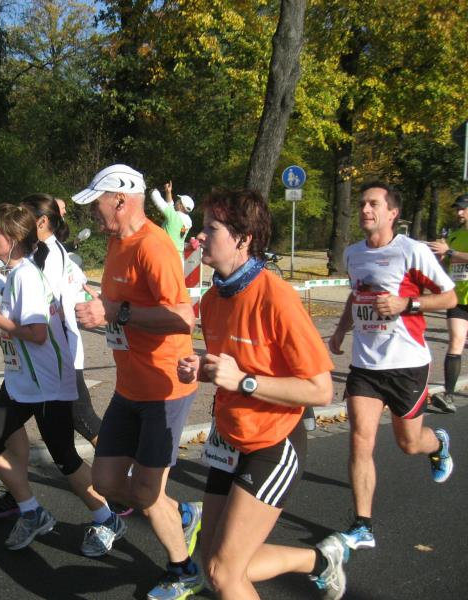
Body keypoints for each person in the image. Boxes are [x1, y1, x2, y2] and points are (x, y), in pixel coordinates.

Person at [177, 188, 348, 600]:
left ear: (243, 238)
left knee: (224, 572)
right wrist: (205, 369)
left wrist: (245, 381)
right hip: (229, 439)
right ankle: (319, 560)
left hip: (274, 442)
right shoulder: (213, 299)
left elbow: (321, 389)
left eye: (211, 229)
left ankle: (320, 561)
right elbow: (234, 364)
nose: (200, 237)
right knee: (217, 563)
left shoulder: (277, 296)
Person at [72, 164, 204, 600]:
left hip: (165, 387)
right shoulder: (116, 243)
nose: (93, 212)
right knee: (106, 481)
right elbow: (119, 302)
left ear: (120, 200)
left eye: (96, 203)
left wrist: (116, 313)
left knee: (146, 493)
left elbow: (183, 318)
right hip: (129, 386)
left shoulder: (154, 245)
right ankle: (182, 513)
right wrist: (100, 305)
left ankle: (184, 570)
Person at [0, 203, 125, 555]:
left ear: (14, 239)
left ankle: (107, 518)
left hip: (46, 385)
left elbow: (37, 333)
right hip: (23, 382)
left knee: (64, 457)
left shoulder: (26, 276)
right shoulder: (16, 274)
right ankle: (32, 511)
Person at [329, 181, 456, 552]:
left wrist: (407, 304)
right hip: (366, 366)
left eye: (373, 204)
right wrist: (340, 329)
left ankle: (438, 444)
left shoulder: (411, 251)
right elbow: (356, 294)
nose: (365, 210)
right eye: (362, 204)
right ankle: (362, 525)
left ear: (392, 213)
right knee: (360, 440)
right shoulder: (353, 254)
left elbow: (449, 297)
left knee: (408, 443)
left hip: (407, 364)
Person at [425, 192, 468, 413]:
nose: (459, 213)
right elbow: (446, 269)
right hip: (459, 300)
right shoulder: (454, 236)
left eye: (463, 209)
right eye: (457, 209)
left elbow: (456, 255)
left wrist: (449, 252)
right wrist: (440, 258)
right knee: (455, 342)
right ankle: (448, 395)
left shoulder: (452, 244)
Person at [150, 180, 194, 259]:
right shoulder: (188, 222)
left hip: (166, 254)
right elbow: (171, 207)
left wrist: (154, 191)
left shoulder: (173, 216)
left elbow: (159, 202)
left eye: (178, 201)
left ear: (180, 206)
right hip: (178, 256)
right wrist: (168, 192)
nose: (176, 201)